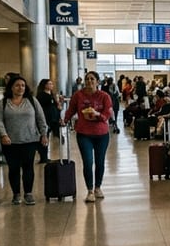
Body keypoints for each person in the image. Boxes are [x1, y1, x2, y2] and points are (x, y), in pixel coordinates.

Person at [0, 76, 48, 205]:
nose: (21, 88)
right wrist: (3, 135)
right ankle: (16, 194)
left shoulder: (32, 100)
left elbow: (41, 119)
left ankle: (28, 193)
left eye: (23, 85)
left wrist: (44, 134)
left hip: (30, 140)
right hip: (10, 142)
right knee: (13, 168)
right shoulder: (2, 103)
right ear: (11, 87)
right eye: (17, 85)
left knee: (28, 167)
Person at [63, 71, 114, 203]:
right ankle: (90, 190)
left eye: (92, 79)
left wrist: (98, 115)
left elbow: (107, 114)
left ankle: (98, 187)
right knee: (88, 162)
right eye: (87, 79)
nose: (89, 81)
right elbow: (71, 110)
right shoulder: (78, 95)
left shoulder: (104, 96)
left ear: (97, 81)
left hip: (102, 134)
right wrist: (65, 119)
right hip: (84, 133)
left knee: (100, 162)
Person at [35, 78, 62, 164]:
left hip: (52, 118)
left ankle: (44, 156)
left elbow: (55, 106)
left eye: (52, 84)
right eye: (49, 84)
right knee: (44, 137)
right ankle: (43, 156)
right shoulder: (41, 95)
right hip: (45, 118)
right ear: (44, 85)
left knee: (47, 136)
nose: (51, 85)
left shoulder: (52, 95)